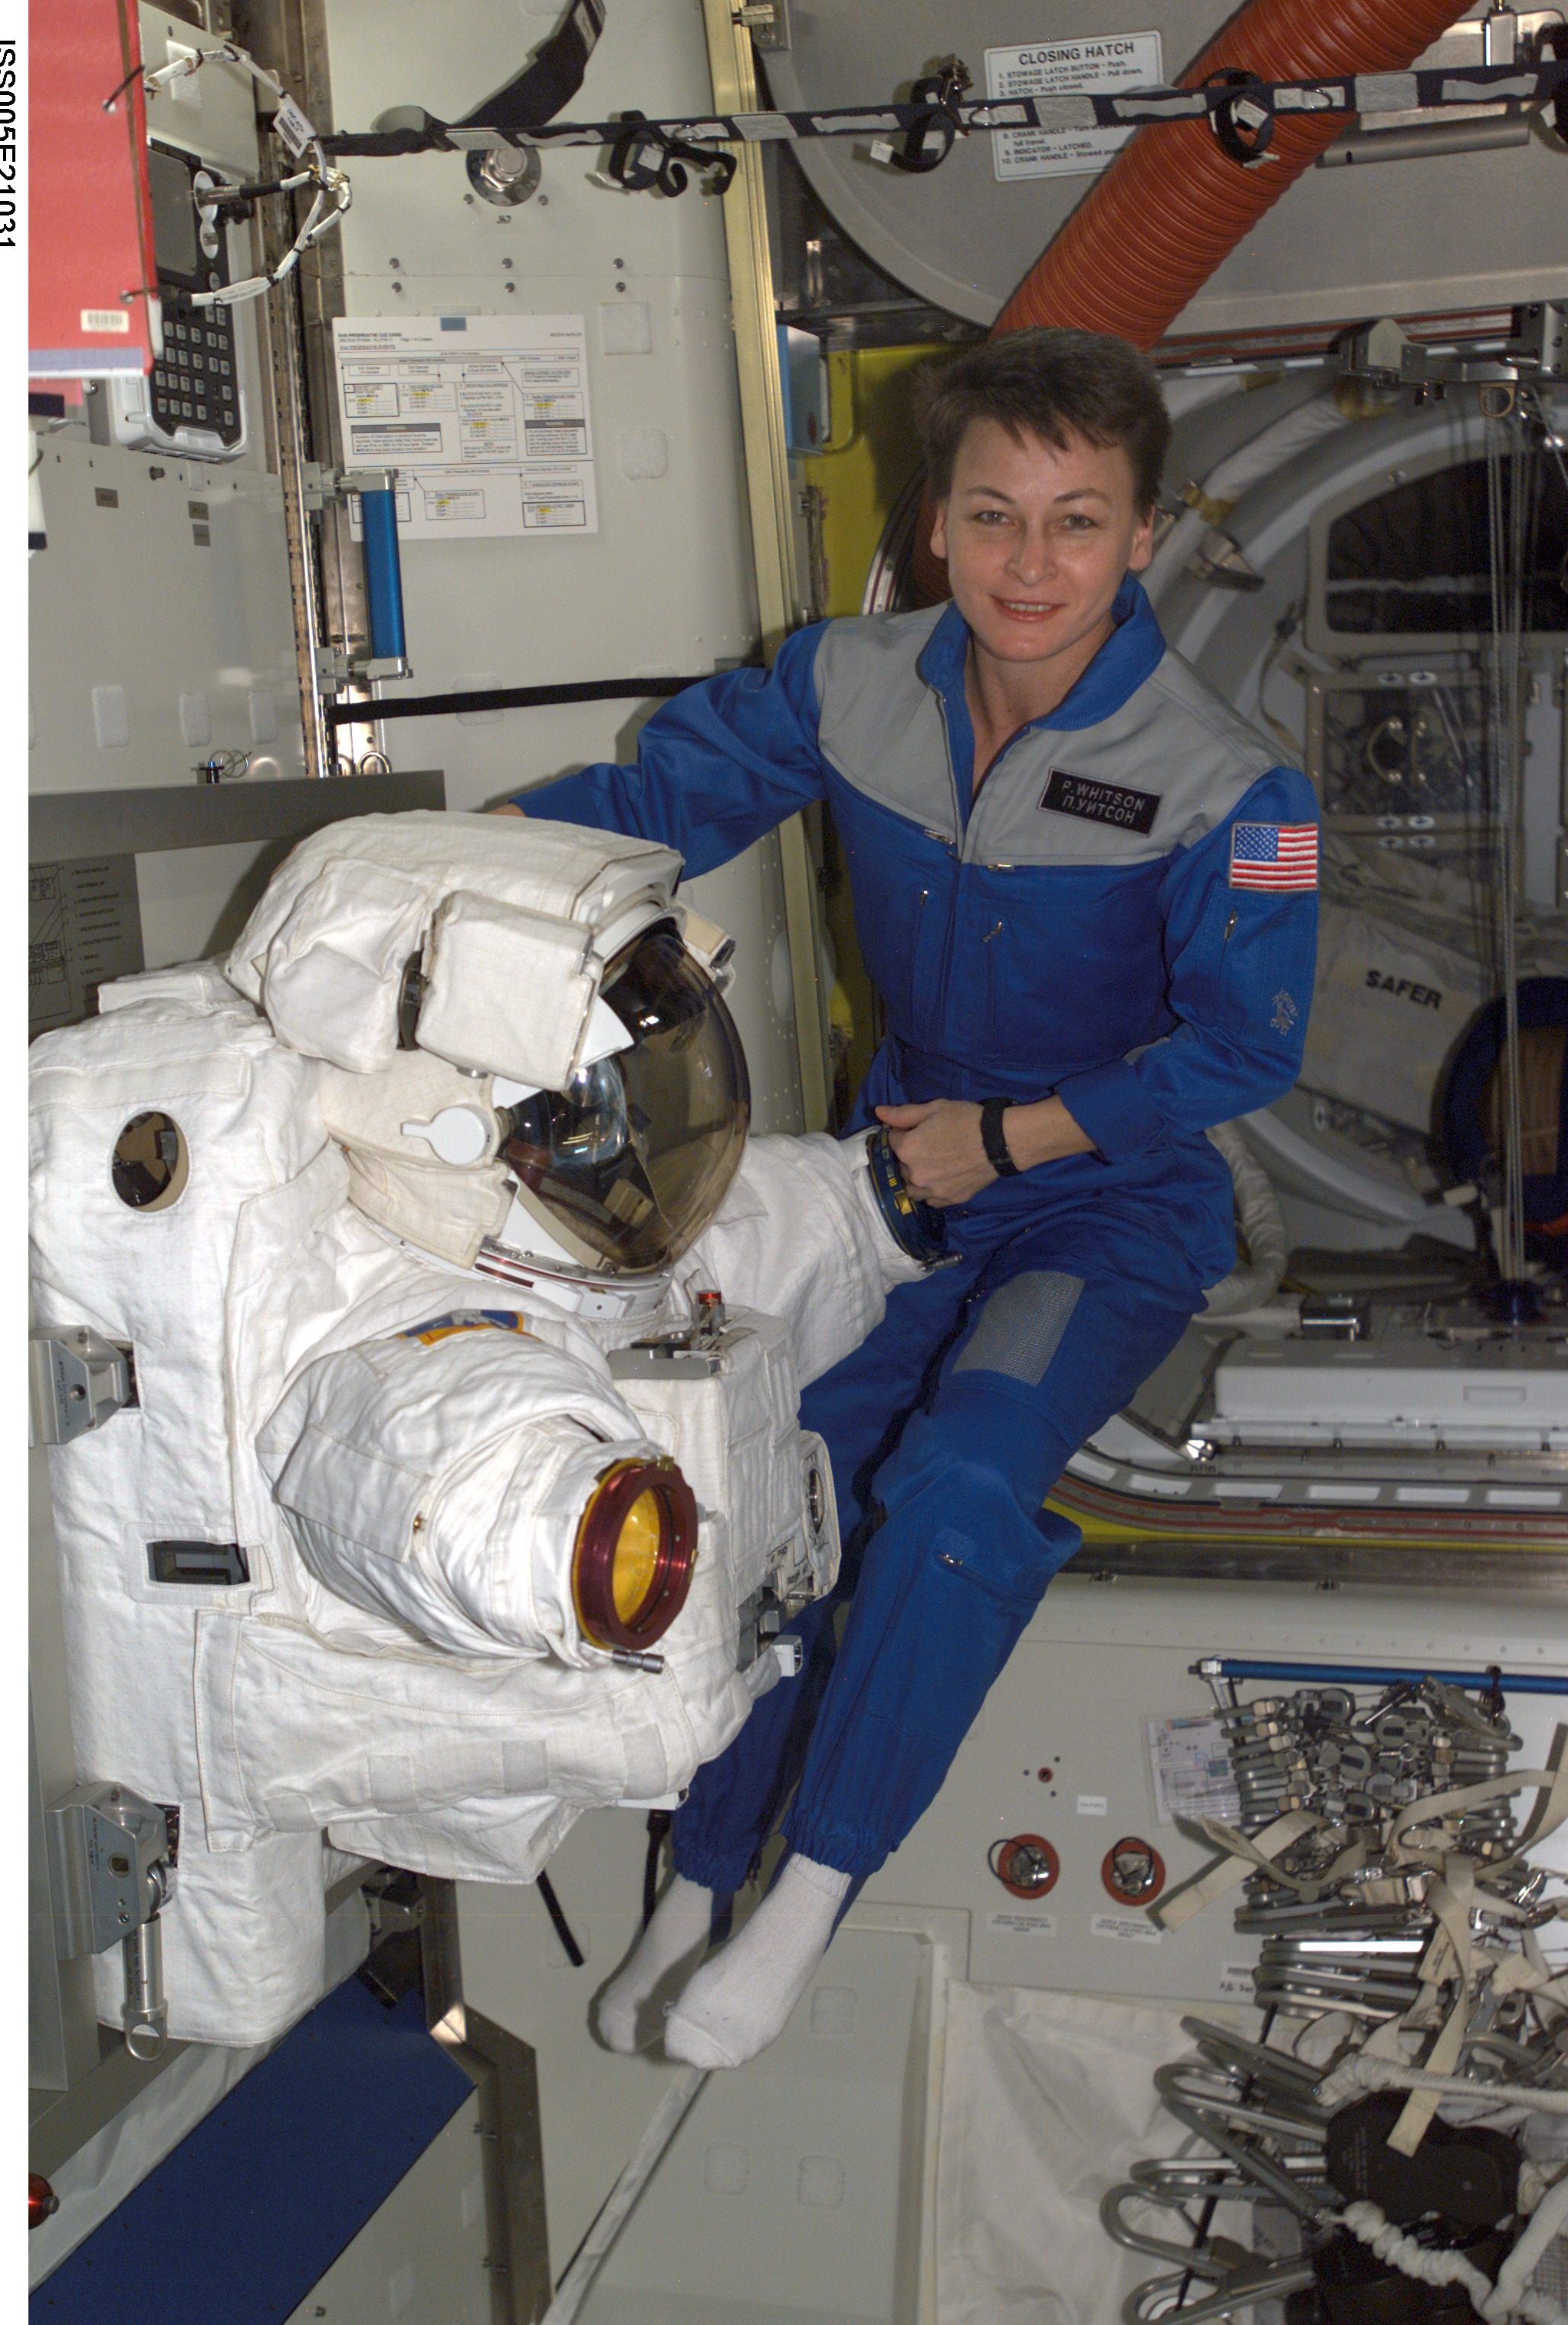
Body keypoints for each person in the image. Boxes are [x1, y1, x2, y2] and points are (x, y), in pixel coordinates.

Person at [496, 327, 1320, 2069]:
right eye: (995, 515)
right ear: (932, 521)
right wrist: (445, 873)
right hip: (898, 1190)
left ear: (1146, 538)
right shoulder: (846, 680)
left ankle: (805, 1890)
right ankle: (694, 1870)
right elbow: (651, 803)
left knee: (952, 1480)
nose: (1033, 565)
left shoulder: (1238, 786)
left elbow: (1248, 1050)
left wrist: (1013, 1142)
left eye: (1079, 523)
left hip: (1101, 1211)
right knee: (771, 1476)